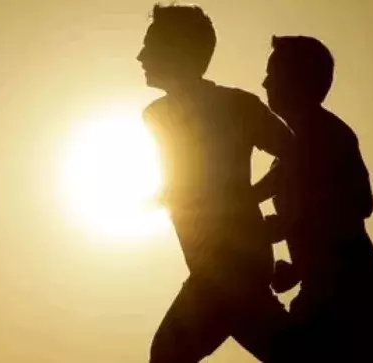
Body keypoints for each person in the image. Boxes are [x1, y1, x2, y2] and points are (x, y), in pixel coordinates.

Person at [137, 5, 296, 362]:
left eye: (150, 45)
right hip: (211, 265)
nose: (141, 55)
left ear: (177, 50)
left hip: (232, 265)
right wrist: (165, 195)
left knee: (167, 354)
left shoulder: (238, 106)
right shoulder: (156, 115)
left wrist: (258, 194)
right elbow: (194, 175)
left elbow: (297, 154)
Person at [254, 35, 373, 362]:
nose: (265, 81)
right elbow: (251, 197)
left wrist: (288, 225)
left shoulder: (329, 135)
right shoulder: (288, 150)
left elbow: (360, 203)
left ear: (297, 80)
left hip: (350, 290)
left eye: (273, 73)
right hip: (323, 288)